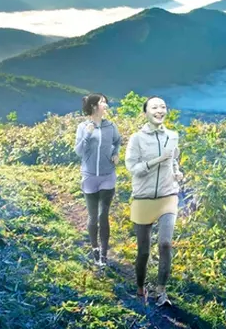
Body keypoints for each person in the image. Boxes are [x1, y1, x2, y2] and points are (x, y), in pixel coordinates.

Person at [124, 96, 184, 307]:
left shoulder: (173, 136)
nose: (160, 110)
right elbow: (133, 169)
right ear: (145, 112)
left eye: (163, 107)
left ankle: (161, 291)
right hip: (143, 198)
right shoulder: (136, 139)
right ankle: (141, 288)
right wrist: (158, 160)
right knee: (143, 251)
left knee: (165, 244)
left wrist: (177, 173)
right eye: (154, 107)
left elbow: (174, 161)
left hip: (168, 196)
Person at [74, 93, 122, 268]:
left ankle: (104, 254)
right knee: (93, 216)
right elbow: (78, 151)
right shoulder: (83, 127)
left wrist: (116, 153)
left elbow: (118, 141)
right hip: (89, 176)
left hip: (108, 175)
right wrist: (87, 135)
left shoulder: (111, 126)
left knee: (104, 215)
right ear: (94, 106)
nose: (106, 105)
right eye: (103, 102)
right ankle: (94, 248)